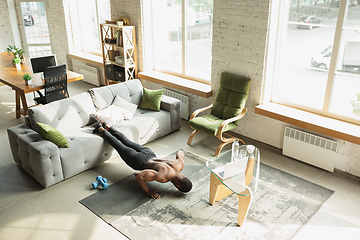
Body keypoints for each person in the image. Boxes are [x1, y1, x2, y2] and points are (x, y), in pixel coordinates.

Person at [95, 124, 192, 199]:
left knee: (126, 141)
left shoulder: (180, 164)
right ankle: (100, 128)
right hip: (137, 160)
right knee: (117, 145)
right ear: (178, 185)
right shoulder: (163, 177)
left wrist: (180, 159)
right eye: (177, 188)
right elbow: (139, 175)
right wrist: (148, 191)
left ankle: (109, 128)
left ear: (185, 176)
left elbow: (180, 152)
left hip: (149, 153)